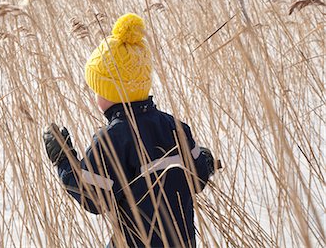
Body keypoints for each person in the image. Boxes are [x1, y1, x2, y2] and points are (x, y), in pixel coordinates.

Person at [43, 13, 219, 247]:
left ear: (110, 93)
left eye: (98, 89)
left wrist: (63, 159)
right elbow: (197, 178)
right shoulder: (174, 126)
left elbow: (93, 198)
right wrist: (204, 161)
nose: (96, 96)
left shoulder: (113, 139)